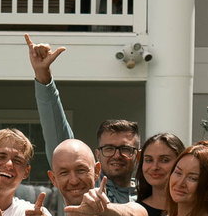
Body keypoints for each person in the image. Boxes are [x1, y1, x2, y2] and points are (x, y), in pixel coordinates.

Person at [23, 36, 141, 201]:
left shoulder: (151, 196)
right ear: (97, 156)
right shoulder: (85, 186)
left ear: (138, 156)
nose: (117, 155)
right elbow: (56, 130)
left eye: (125, 149)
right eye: (109, 149)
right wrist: (43, 75)